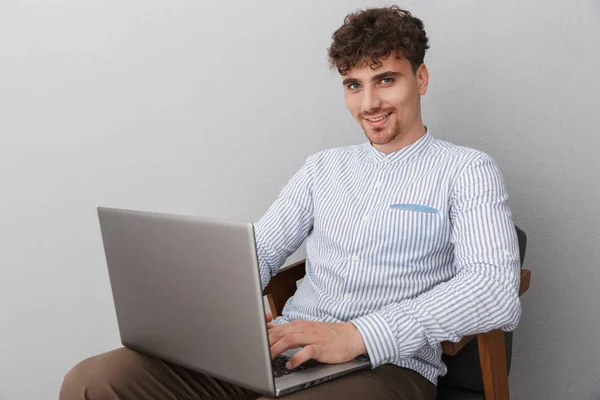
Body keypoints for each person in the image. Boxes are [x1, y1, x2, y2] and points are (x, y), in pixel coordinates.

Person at [60, 5, 522, 400]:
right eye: (353, 84)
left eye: (385, 79)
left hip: (386, 368)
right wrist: (224, 311)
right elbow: (258, 251)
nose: (370, 102)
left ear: (420, 79)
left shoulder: (466, 170)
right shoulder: (323, 168)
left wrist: (355, 335)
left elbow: (493, 287)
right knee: (94, 381)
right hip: (284, 347)